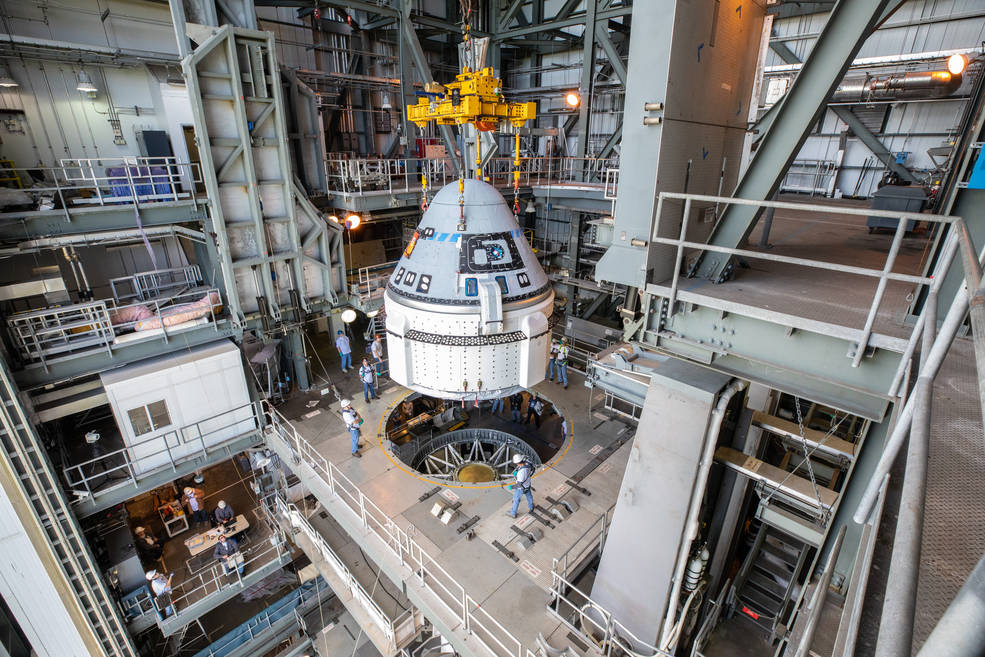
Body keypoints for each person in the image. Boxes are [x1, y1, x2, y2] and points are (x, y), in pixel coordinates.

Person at [508, 454, 534, 518]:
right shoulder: (528, 463)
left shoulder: (521, 473)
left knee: (516, 499)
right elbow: (533, 469)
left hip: (521, 488)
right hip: (527, 484)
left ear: (517, 463)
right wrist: (517, 471)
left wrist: (512, 487)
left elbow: (519, 484)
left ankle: (513, 513)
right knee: (529, 496)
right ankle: (531, 507)